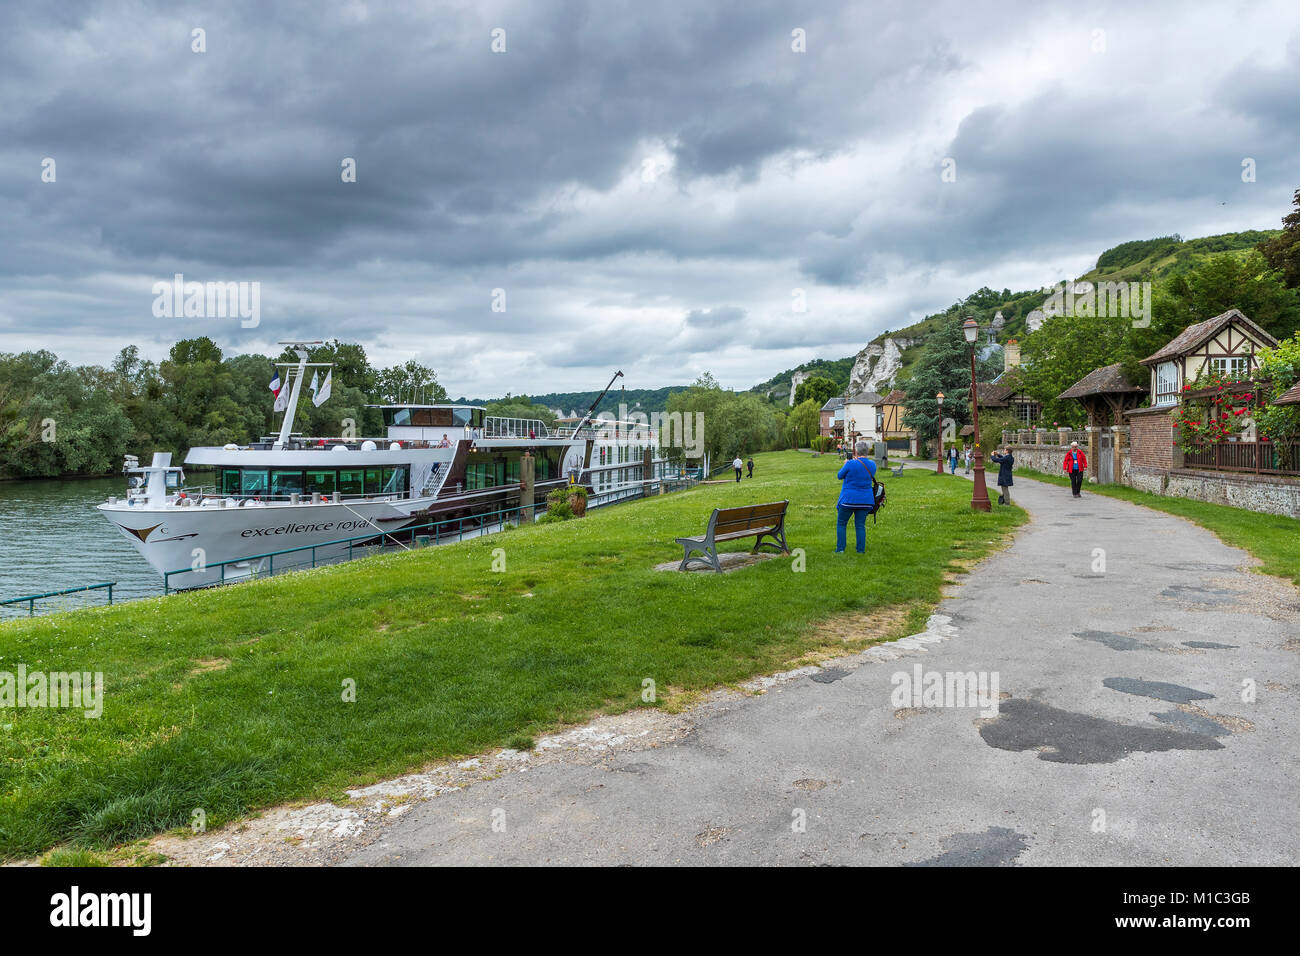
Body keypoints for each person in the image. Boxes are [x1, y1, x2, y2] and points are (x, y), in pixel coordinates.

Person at [835, 440, 878, 554]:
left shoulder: (850, 463)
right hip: (866, 500)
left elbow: (840, 476)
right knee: (860, 525)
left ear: (856, 451)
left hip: (848, 499)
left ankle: (840, 549)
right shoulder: (872, 464)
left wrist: (845, 463)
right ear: (867, 451)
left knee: (841, 523)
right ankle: (860, 550)